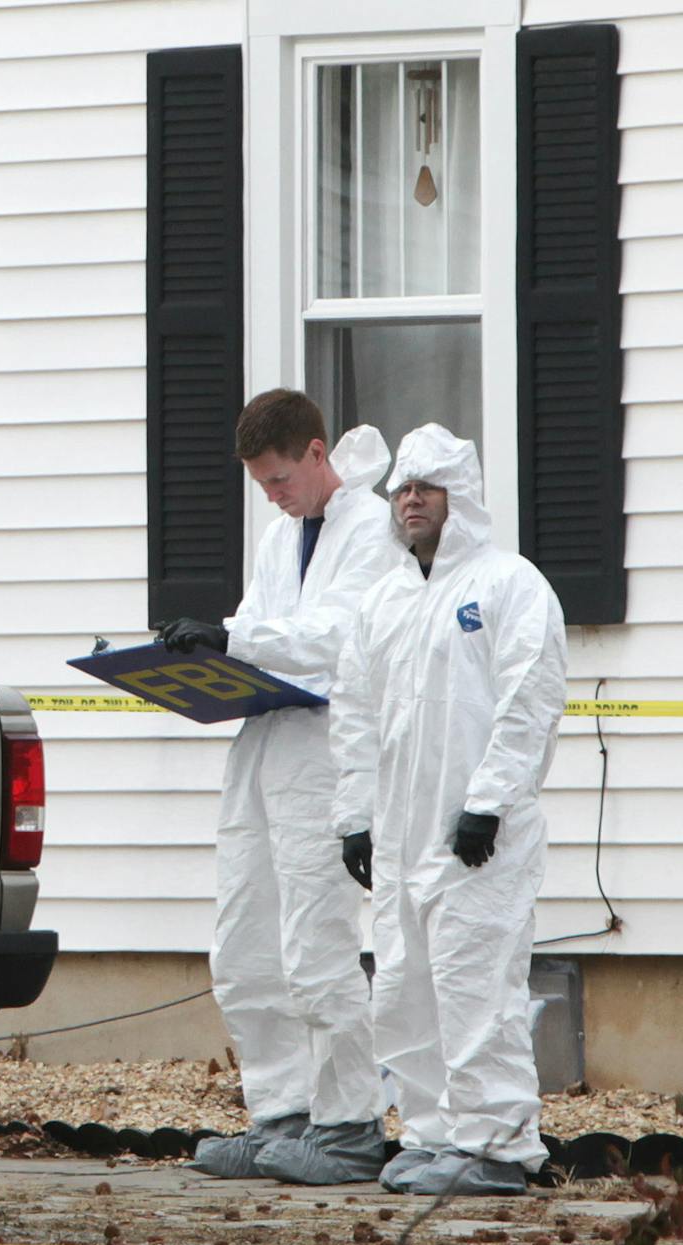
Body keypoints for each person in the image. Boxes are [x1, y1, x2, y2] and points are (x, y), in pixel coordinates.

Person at [160, 389, 405, 1185]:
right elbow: (263, 633)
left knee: (316, 942)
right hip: (263, 744)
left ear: (316, 452)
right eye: (260, 484)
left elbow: (337, 638)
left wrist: (234, 639)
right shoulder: (279, 538)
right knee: (245, 943)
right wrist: (206, 657)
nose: (272, 495)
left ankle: (348, 1124)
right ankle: (279, 1116)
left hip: (325, 750)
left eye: (279, 478)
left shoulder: (372, 529)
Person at [328, 424, 569, 1196]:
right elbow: (354, 713)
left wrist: (490, 801)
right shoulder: (384, 601)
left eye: (426, 488)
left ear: (458, 496)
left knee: (475, 983)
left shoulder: (508, 584)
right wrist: (354, 816)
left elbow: (530, 697)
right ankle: (434, 1134)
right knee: (406, 989)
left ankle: (496, 1144)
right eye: (402, 488)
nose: (411, 500)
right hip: (400, 836)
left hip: (476, 837)